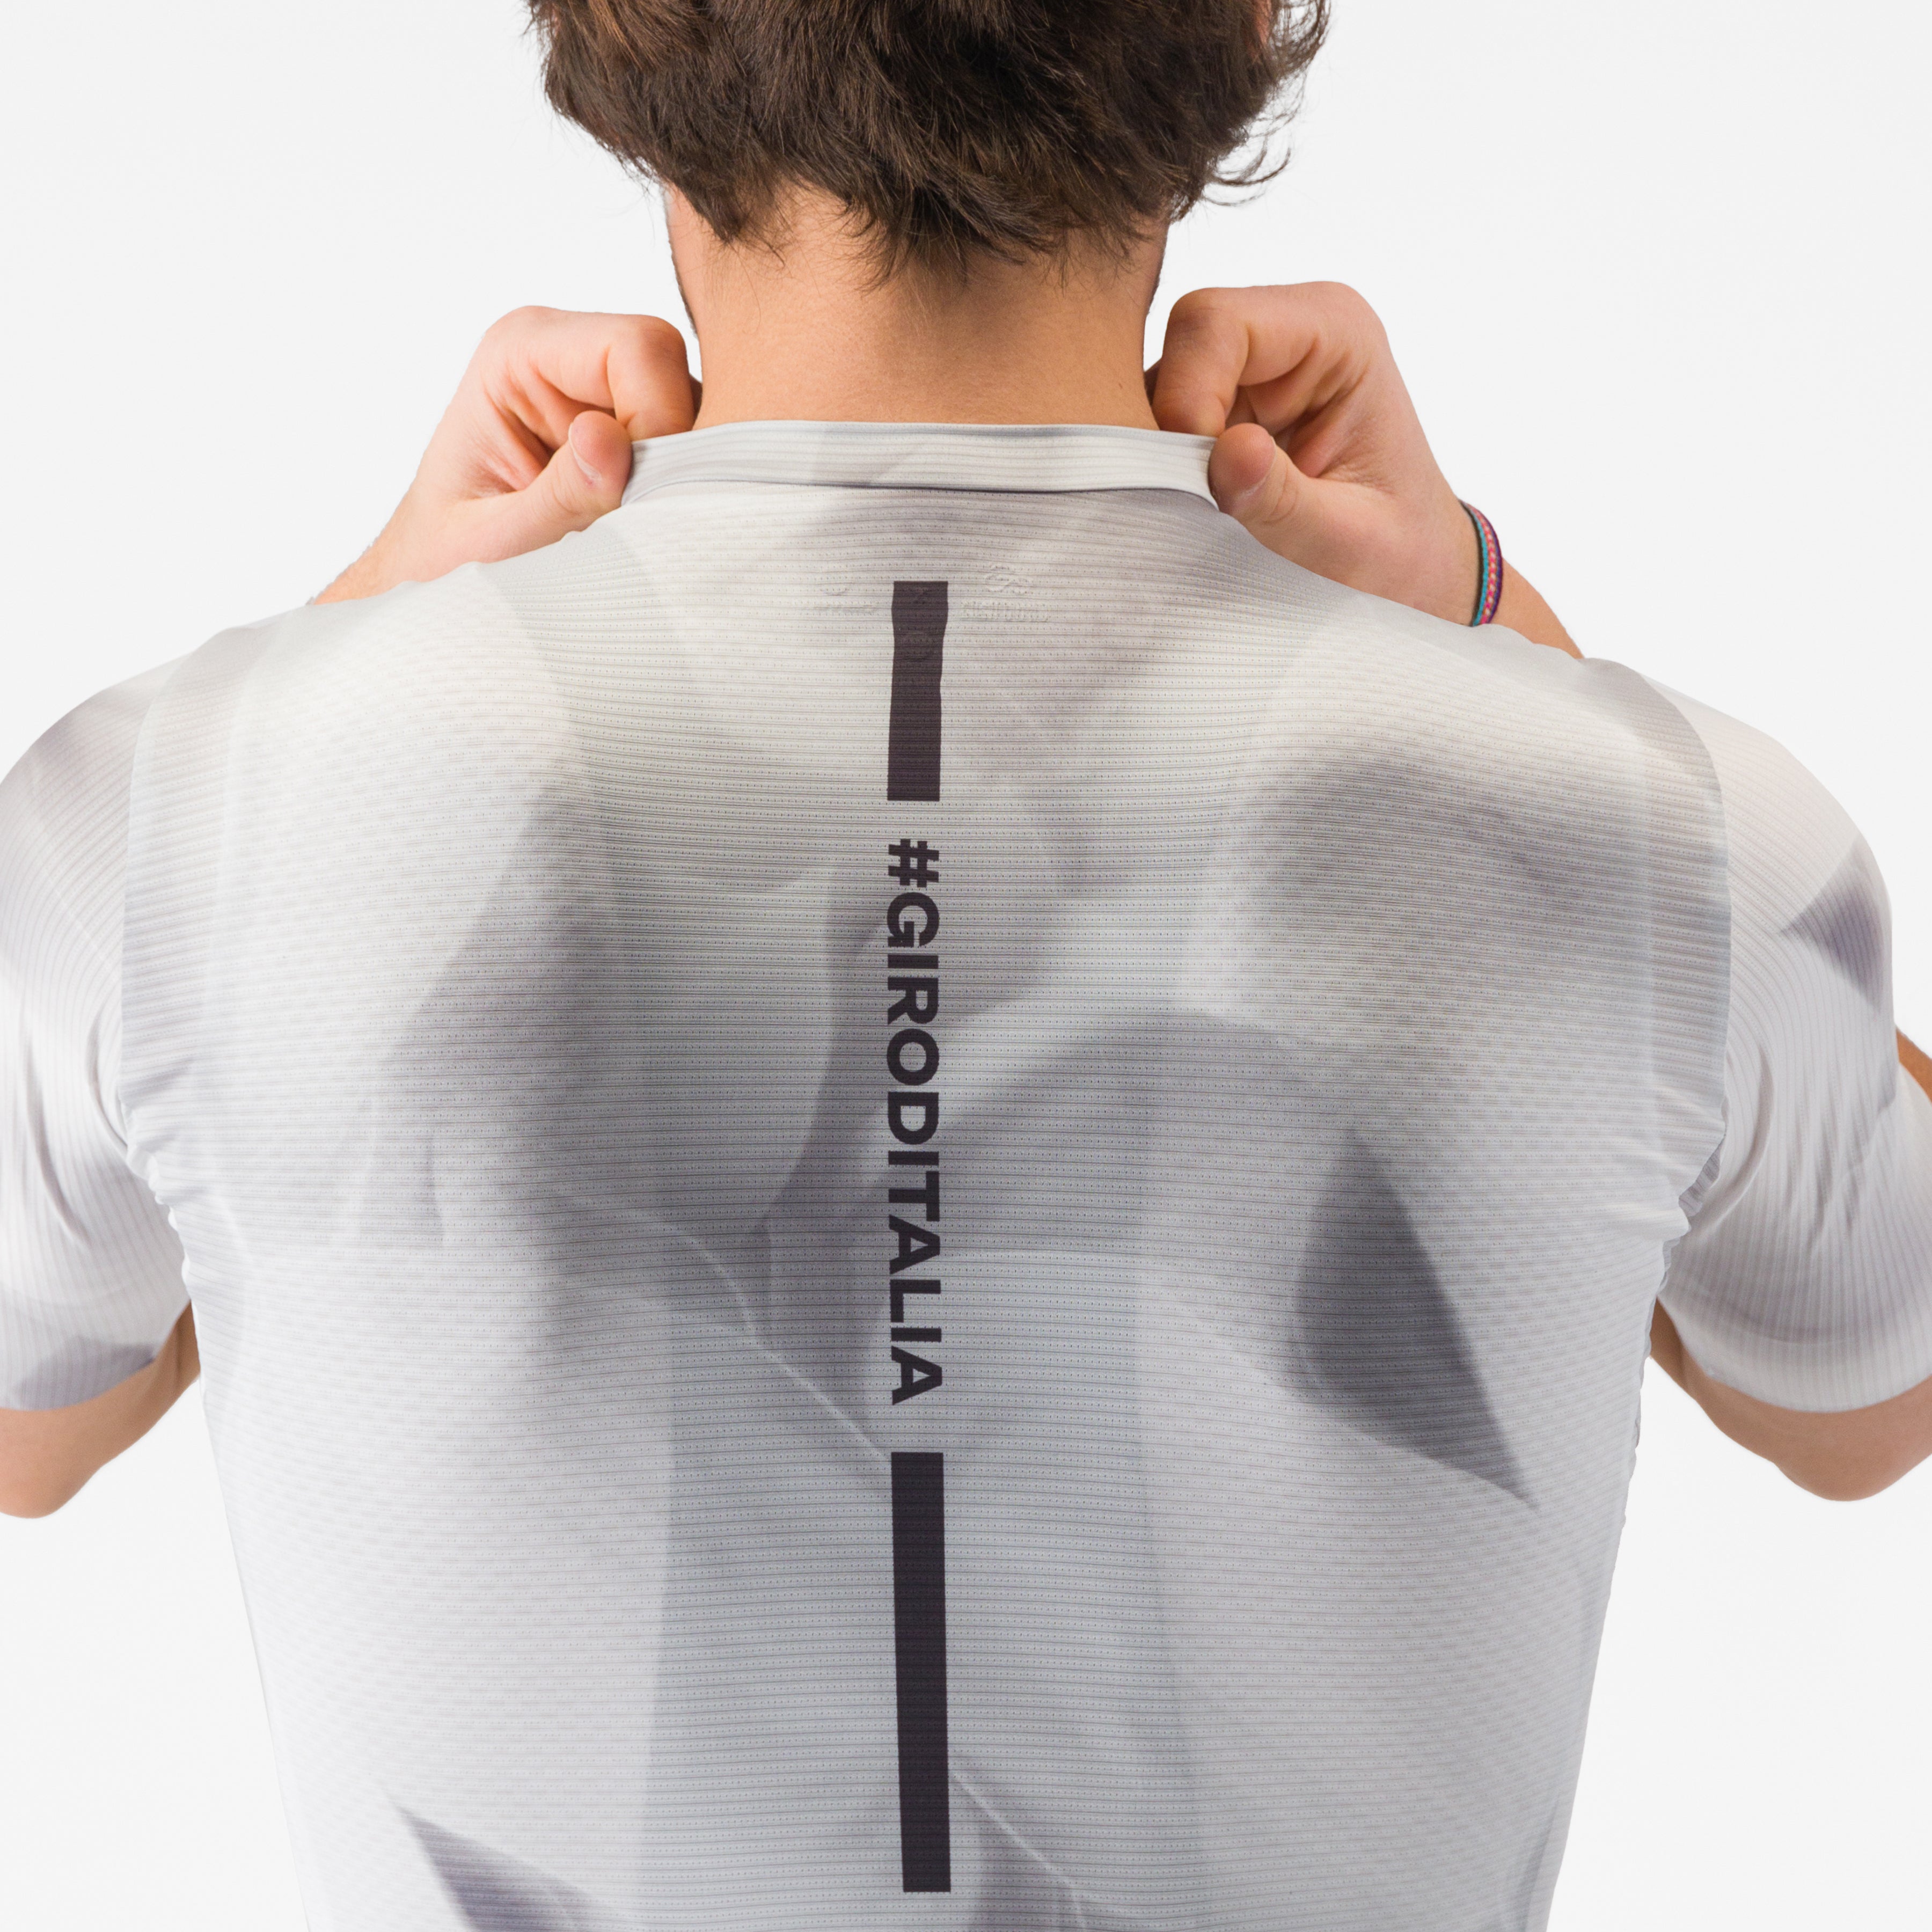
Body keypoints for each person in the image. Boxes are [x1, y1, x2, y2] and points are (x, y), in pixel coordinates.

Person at [3, 2, 1929, 1926]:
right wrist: (1485, 613)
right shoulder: (1652, 828)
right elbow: (1875, 1385)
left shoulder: (165, 817)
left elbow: (29, 1425)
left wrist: (343, 653)